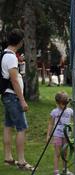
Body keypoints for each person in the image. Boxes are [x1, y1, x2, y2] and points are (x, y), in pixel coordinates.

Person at [1, 28, 34, 171]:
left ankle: (8, 157)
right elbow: (14, 80)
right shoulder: (11, 57)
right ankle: (21, 161)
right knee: (22, 128)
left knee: (8, 126)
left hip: (7, 96)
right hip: (13, 97)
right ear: (20, 42)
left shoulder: (5, 54)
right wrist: (22, 100)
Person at [46, 91, 73, 175]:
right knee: (57, 153)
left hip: (66, 135)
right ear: (57, 103)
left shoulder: (70, 111)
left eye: (66, 103)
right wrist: (48, 135)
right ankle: (56, 171)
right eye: (63, 104)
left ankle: (65, 169)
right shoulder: (54, 112)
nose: (65, 106)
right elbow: (50, 124)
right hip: (57, 135)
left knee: (65, 153)